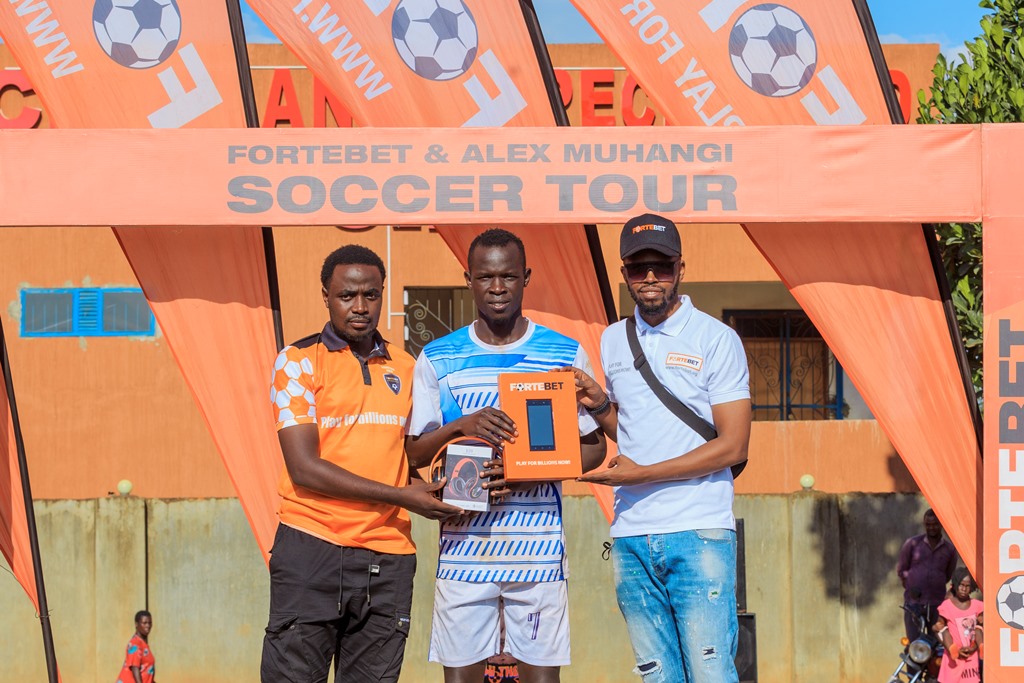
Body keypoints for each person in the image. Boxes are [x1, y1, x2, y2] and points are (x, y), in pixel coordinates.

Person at [405, 229, 607, 683]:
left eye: (509, 277)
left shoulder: (563, 354)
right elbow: (414, 450)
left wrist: (520, 472)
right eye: (485, 277)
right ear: (468, 279)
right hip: (463, 554)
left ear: (526, 277)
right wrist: (462, 425)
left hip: (538, 555)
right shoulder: (438, 358)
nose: (497, 288)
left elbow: (594, 448)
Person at [260, 245, 464, 683]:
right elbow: (304, 468)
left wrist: (453, 481)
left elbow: (408, 458)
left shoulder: (407, 367)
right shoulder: (296, 362)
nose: (360, 307)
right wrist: (401, 496)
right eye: (346, 295)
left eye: (370, 295)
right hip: (311, 548)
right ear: (326, 296)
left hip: (389, 558)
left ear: (382, 294)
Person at [574, 213, 752, 683]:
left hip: (699, 531)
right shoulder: (613, 339)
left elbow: (734, 445)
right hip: (632, 534)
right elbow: (631, 431)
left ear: (680, 269)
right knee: (657, 676)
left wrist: (641, 475)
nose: (650, 277)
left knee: (711, 673)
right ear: (624, 273)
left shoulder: (716, 338)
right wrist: (598, 404)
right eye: (638, 268)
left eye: (662, 266)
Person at [896, 508, 958, 641]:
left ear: (941, 524)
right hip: (914, 604)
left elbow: (948, 574)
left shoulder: (950, 549)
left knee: (937, 643)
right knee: (914, 644)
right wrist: (911, 585)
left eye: (935, 524)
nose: (931, 528)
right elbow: (902, 570)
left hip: (937, 604)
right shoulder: (912, 544)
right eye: (928, 524)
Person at [935, 566, 983, 682]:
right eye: (961, 585)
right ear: (955, 585)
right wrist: (951, 648)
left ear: (972, 587)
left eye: (967, 586)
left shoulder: (977, 605)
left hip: (971, 658)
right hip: (952, 660)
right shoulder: (946, 606)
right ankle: (953, 649)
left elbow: (981, 627)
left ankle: (982, 647)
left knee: (978, 628)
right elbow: (938, 629)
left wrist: (974, 648)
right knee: (944, 630)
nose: (964, 589)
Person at [116, 610, 155, 683]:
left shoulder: (143, 644)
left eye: (150, 623)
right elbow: (135, 668)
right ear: (136, 624)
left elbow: (146, 672)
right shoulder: (135, 644)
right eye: (144, 623)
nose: (148, 626)